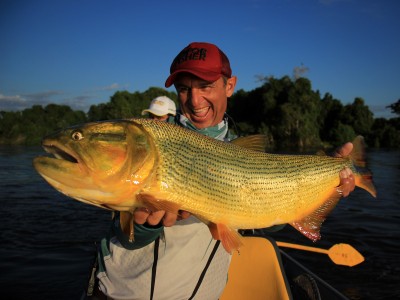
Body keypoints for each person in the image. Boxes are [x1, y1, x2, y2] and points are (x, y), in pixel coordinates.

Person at [89, 42, 355, 300]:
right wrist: (144, 227)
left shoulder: (243, 151)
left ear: (229, 86)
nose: (194, 100)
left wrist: (328, 179)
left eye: (205, 86)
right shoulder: (153, 144)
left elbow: (267, 217)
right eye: (184, 89)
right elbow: (126, 237)